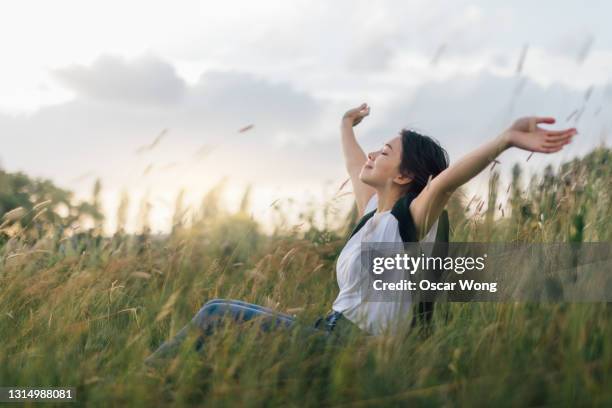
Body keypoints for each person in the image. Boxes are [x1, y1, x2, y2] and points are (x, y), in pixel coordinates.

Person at [145, 103, 577, 363]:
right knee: (222, 320)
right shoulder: (372, 214)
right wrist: (345, 126)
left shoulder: (411, 221)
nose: (373, 154)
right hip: (328, 332)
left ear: (406, 175)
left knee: (217, 314)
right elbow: (355, 164)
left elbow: (446, 181)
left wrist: (504, 139)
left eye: (385, 152)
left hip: (355, 350)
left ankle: (134, 381)